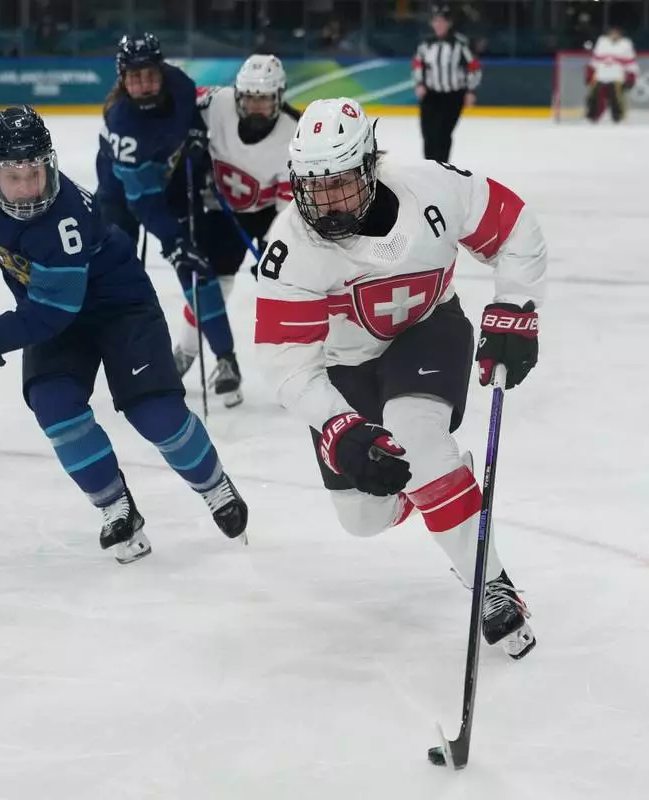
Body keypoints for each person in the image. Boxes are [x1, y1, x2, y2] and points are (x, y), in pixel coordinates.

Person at [0, 106, 249, 565]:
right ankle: (117, 507)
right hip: (49, 307)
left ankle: (215, 485)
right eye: (14, 176)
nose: (28, 188)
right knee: (55, 407)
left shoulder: (63, 222)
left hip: (117, 305)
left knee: (152, 410)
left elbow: (51, 315)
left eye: (36, 173)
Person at [253, 98, 545, 660]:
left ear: (369, 165)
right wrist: (337, 425)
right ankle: (433, 487)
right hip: (345, 364)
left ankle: (491, 582)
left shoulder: (433, 188)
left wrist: (516, 307)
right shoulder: (290, 250)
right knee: (362, 518)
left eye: (340, 183)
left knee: (418, 438)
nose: (327, 202)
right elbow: (287, 363)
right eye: (314, 187)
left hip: (428, 330)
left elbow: (514, 226)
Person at [94, 33, 243, 407]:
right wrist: (173, 241)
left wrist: (195, 131)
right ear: (121, 78)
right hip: (122, 197)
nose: (143, 84)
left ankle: (226, 358)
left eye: (149, 74)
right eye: (134, 76)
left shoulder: (178, 82)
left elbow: (190, 111)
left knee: (197, 266)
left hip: (170, 180)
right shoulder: (123, 122)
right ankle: (127, 361)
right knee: (120, 280)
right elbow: (141, 201)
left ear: (160, 71)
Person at [174, 54, 299, 408]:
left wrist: (276, 246)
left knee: (289, 291)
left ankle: (300, 371)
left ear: (279, 97)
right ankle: (184, 350)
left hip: (266, 214)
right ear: (238, 94)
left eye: (265, 100)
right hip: (218, 205)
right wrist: (192, 131)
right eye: (250, 99)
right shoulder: (218, 101)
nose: (256, 107)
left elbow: (287, 206)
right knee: (214, 282)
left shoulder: (294, 133)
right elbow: (179, 96)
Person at [412, 5, 480, 163]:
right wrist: (420, 83)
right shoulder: (425, 44)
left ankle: (442, 167)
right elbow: (418, 64)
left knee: (442, 132)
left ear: (449, 23)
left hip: (453, 95)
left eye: (442, 21)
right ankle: (429, 167)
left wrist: (471, 90)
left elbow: (474, 67)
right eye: (436, 21)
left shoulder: (461, 44)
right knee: (428, 133)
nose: (438, 25)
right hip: (431, 94)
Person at [586, 26, 638, 123]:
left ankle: (618, 117)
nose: (614, 35)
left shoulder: (626, 45)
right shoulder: (602, 43)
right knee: (595, 96)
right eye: (612, 33)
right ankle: (593, 116)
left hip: (617, 77)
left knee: (616, 98)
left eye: (616, 33)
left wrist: (631, 77)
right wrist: (590, 74)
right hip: (601, 76)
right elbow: (594, 61)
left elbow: (631, 63)